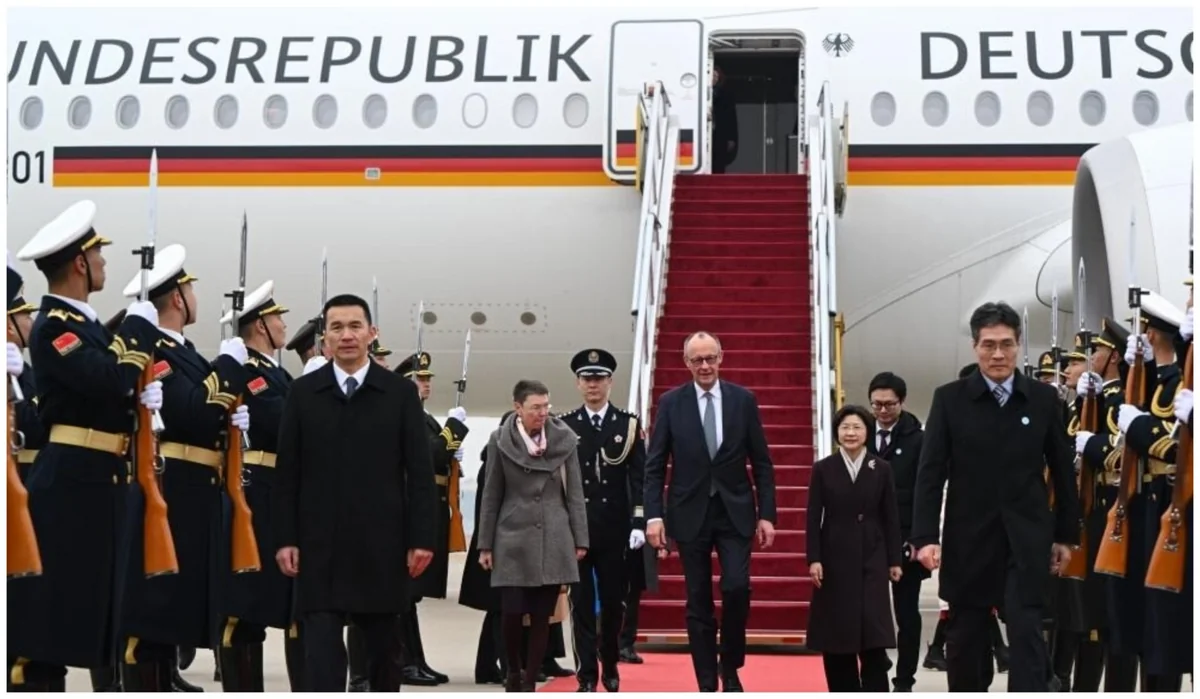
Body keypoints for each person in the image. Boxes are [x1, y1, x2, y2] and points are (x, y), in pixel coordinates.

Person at [8, 200, 164, 692]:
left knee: (98, 614)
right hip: (71, 483)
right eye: (98, 255)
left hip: (101, 481)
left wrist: (141, 399)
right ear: (80, 263)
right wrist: (138, 328)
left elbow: (110, 388)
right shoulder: (56, 326)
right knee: (51, 623)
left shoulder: (87, 326)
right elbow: (107, 378)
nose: (103, 263)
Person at [271, 293, 437, 692]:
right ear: (325, 338)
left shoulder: (398, 394)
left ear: (371, 333)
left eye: (355, 326)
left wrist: (421, 539)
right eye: (337, 328)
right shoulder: (304, 393)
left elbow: (420, 473)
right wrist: (285, 538)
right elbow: (288, 472)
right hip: (319, 549)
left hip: (381, 547)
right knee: (321, 658)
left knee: (383, 658)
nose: (346, 335)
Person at [911, 301, 1079, 692]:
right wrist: (925, 536)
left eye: (1006, 344)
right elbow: (930, 473)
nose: (998, 354)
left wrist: (1065, 535)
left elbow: (1062, 471)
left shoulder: (1042, 399)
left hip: (1027, 538)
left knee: (1026, 631)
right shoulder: (950, 400)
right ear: (975, 347)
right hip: (969, 538)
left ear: (1018, 345)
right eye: (989, 345)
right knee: (966, 638)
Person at [115, 243, 252, 691]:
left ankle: (164, 678)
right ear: (177, 298)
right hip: (173, 487)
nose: (195, 297)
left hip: (198, 489)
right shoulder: (155, 351)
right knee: (155, 612)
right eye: (190, 290)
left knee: (176, 610)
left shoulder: (185, 352)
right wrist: (228, 367)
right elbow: (193, 413)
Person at [644, 331, 777, 692]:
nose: (704, 366)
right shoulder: (671, 403)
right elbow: (655, 465)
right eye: (697, 360)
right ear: (686, 363)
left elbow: (762, 462)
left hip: (735, 511)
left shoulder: (743, 400)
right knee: (698, 598)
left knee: (737, 587)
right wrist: (653, 516)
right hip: (689, 512)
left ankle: (729, 665)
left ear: (721, 358)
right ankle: (706, 681)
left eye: (710, 358)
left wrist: (767, 514)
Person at [213, 280, 304, 691]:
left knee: (281, 601)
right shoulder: (250, 370)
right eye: (277, 318)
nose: (283, 324)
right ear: (261, 326)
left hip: (278, 489)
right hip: (257, 490)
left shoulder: (276, 372)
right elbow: (279, 420)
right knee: (245, 606)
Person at [477, 380, 589, 692]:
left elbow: (575, 493)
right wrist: (485, 544)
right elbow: (491, 494)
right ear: (518, 408)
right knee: (511, 612)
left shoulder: (564, 439)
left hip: (554, 534)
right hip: (512, 536)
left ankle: (529, 682)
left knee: (542, 616)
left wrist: (580, 539)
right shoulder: (500, 440)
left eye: (546, 406)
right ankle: (513, 669)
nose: (543, 413)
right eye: (535, 407)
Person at [1112, 291, 1189, 691]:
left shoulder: (1179, 382)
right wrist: (1130, 371)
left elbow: (1174, 446)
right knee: (1148, 618)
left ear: (1153, 334)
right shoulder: (1161, 381)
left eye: (1142, 331)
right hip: (1150, 503)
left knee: (1168, 620)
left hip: (1173, 499)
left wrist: (1137, 427)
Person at [560, 348, 646, 692]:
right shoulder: (565, 425)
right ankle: (586, 674)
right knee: (580, 605)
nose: (592, 385)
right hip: (578, 530)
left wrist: (639, 522)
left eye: (598, 378)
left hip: (615, 530)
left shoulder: (627, 424)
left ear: (610, 382)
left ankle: (609, 661)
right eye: (586, 379)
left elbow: (639, 479)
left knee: (613, 604)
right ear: (578, 383)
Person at [807, 404, 902, 691]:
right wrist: (814, 558)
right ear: (837, 432)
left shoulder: (881, 468)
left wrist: (894, 560)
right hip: (834, 555)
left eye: (857, 427)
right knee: (838, 632)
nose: (851, 433)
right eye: (845, 427)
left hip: (873, 555)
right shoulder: (823, 469)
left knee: (873, 630)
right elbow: (813, 517)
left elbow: (891, 517)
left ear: (867, 432)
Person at [1072, 318, 1138, 691]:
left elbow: (1122, 451)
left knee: (1111, 613)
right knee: (1092, 611)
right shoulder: (1098, 398)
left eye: (1096, 350)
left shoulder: (1122, 399)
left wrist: (1093, 446)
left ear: (1112, 356)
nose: (1091, 357)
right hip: (1095, 509)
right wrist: (1083, 401)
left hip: (1114, 506)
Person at [394, 350, 466, 686]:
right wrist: (455, 430)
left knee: (411, 597)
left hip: (430, 507)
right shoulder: (406, 416)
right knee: (405, 596)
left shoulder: (423, 418)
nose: (427, 384)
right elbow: (431, 454)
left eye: (427, 379)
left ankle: (415, 659)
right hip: (411, 509)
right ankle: (403, 662)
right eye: (420, 379)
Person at [863, 372, 927, 692]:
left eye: (889, 404)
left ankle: (904, 679)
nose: (883, 411)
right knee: (867, 610)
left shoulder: (918, 439)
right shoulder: (861, 433)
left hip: (905, 537)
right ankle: (877, 663)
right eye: (876, 405)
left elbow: (925, 491)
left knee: (906, 613)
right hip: (867, 538)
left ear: (902, 402)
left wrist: (920, 538)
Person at [7, 251, 46, 484]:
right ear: (10, 326)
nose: (32, 323)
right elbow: (31, 427)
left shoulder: (27, 370)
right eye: (26, 316)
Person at [711, 65, 739, 174]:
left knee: (719, 161)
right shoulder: (701, 93)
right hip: (705, 133)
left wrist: (731, 138)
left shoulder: (725, 95)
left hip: (721, 133)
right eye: (712, 75)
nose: (714, 78)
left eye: (716, 76)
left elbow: (731, 118)